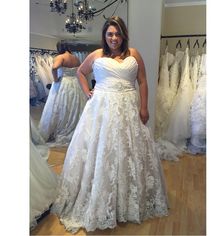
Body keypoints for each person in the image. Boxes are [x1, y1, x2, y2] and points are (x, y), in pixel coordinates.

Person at [51, 16, 179, 233]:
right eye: (110, 33)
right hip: (101, 109)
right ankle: (100, 197)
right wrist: (86, 91)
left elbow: (143, 81)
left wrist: (144, 107)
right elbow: (81, 73)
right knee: (101, 150)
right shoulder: (96, 55)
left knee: (129, 152)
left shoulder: (134, 54)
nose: (114, 37)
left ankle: (127, 200)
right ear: (105, 35)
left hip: (129, 109)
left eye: (118, 33)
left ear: (123, 35)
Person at [38, 42, 87, 147]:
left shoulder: (60, 57)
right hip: (75, 83)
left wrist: (55, 80)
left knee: (60, 106)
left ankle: (62, 128)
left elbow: (54, 67)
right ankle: (75, 127)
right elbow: (80, 71)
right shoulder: (76, 58)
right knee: (75, 106)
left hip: (64, 83)